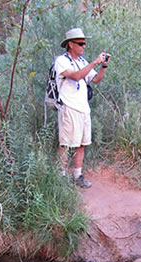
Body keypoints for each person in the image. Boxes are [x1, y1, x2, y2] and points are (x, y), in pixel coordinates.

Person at [55, 28, 110, 188]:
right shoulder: (62, 61)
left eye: (84, 44)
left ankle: (77, 175)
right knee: (65, 144)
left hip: (83, 109)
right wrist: (95, 62)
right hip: (69, 108)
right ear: (70, 44)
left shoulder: (82, 61)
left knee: (81, 144)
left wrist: (103, 66)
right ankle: (61, 178)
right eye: (80, 43)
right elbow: (76, 76)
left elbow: (96, 80)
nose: (83, 46)